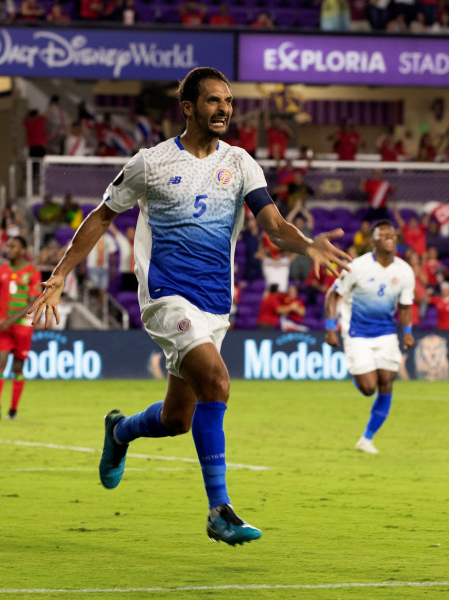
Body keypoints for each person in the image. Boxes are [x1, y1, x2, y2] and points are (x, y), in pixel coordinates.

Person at [29, 67, 350, 545]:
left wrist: (307, 246)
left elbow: (275, 226)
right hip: (165, 295)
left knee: (178, 418)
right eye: (214, 101)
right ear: (189, 107)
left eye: (229, 101)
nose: (224, 109)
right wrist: (59, 275)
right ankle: (219, 511)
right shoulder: (150, 163)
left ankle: (120, 432)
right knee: (218, 381)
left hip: (215, 304)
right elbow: (101, 217)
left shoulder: (241, 163)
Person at [325, 220, 415, 455]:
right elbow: (332, 296)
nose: (389, 237)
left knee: (386, 381)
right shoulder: (357, 267)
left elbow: (405, 307)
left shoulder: (405, 271)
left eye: (392, 234)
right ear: (373, 240)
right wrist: (330, 328)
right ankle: (357, 368)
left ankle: (367, 439)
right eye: (383, 234)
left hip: (386, 334)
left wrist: (407, 333)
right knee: (368, 388)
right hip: (357, 333)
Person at [0, 236, 41, 420]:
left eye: (13, 246)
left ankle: (13, 410)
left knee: (18, 368)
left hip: (22, 327)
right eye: (8, 245)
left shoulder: (32, 272)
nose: (8, 248)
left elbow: (32, 303)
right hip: (2, 326)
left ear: (22, 250)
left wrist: (11, 320)